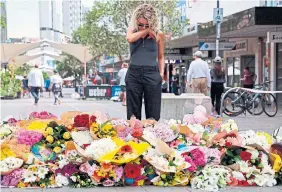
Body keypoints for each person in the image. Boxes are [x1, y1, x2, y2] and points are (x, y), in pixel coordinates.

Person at [126, 3, 165, 121]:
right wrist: (146, 31)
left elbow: (161, 56)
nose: (143, 27)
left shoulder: (159, 34)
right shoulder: (132, 31)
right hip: (134, 73)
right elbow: (130, 39)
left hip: (152, 73)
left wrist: (161, 74)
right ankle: (134, 138)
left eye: (147, 25)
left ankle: (152, 137)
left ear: (153, 22)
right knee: (133, 115)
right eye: (140, 24)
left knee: (153, 114)